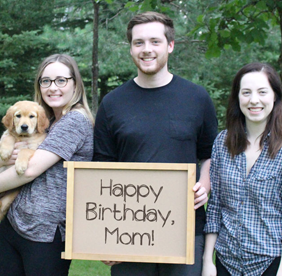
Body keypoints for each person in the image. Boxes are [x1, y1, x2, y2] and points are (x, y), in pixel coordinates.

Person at [93, 11, 218, 276]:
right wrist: (103, 237)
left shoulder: (197, 98)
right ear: (130, 48)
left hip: (185, 228)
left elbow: (209, 155)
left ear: (170, 46)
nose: (146, 49)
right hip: (127, 232)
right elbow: (101, 169)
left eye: (154, 41)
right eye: (138, 43)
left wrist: (204, 187)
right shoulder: (112, 104)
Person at [0, 54, 94, 276]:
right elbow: (1, 158)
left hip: (46, 233)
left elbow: (29, 170)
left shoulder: (74, 121)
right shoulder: (43, 119)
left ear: (75, 84)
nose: (53, 87)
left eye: (61, 80)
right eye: (46, 81)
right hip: (14, 223)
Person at [202, 62, 282, 276]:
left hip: (274, 265)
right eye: (246, 93)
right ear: (237, 98)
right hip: (227, 264)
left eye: (262, 92)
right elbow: (215, 207)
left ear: (275, 96)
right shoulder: (221, 144)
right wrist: (208, 261)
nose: (254, 100)